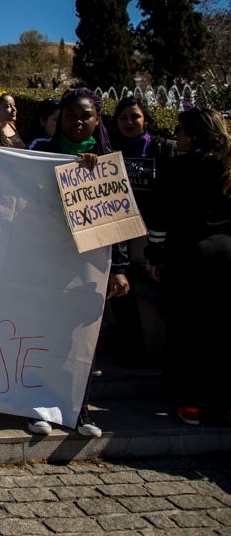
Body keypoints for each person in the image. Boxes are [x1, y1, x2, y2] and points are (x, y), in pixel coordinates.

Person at [30, 87, 131, 438]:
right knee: (46, 334)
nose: (77, 121)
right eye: (70, 115)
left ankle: (79, 410)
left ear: (96, 119)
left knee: (84, 339)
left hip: (91, 264)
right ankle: (39, 406)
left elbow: (119, 220)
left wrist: (119, 268)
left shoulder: (108, 160)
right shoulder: (42, 152)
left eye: (85, 115)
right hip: (47, 259)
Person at [146, 107, 231, 426]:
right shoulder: (226, 164)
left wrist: (155, 256)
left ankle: (190, 404)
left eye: (180, 130)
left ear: (193, 135)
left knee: (187, 330)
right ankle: (224, 404)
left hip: (190, 258)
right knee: (222, 331)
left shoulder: (179, 167)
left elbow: (161, 216)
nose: (175, 137)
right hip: (227, 256)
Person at [106, 97, 177, 366]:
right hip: (122, 231)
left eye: (134, 116)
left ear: (145, 118)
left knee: (156, 288)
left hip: (154, 233)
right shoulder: (110, 149)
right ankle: (132, 347)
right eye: (123, 117)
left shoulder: (163, 148)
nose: (128, 122)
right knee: (122, 293)